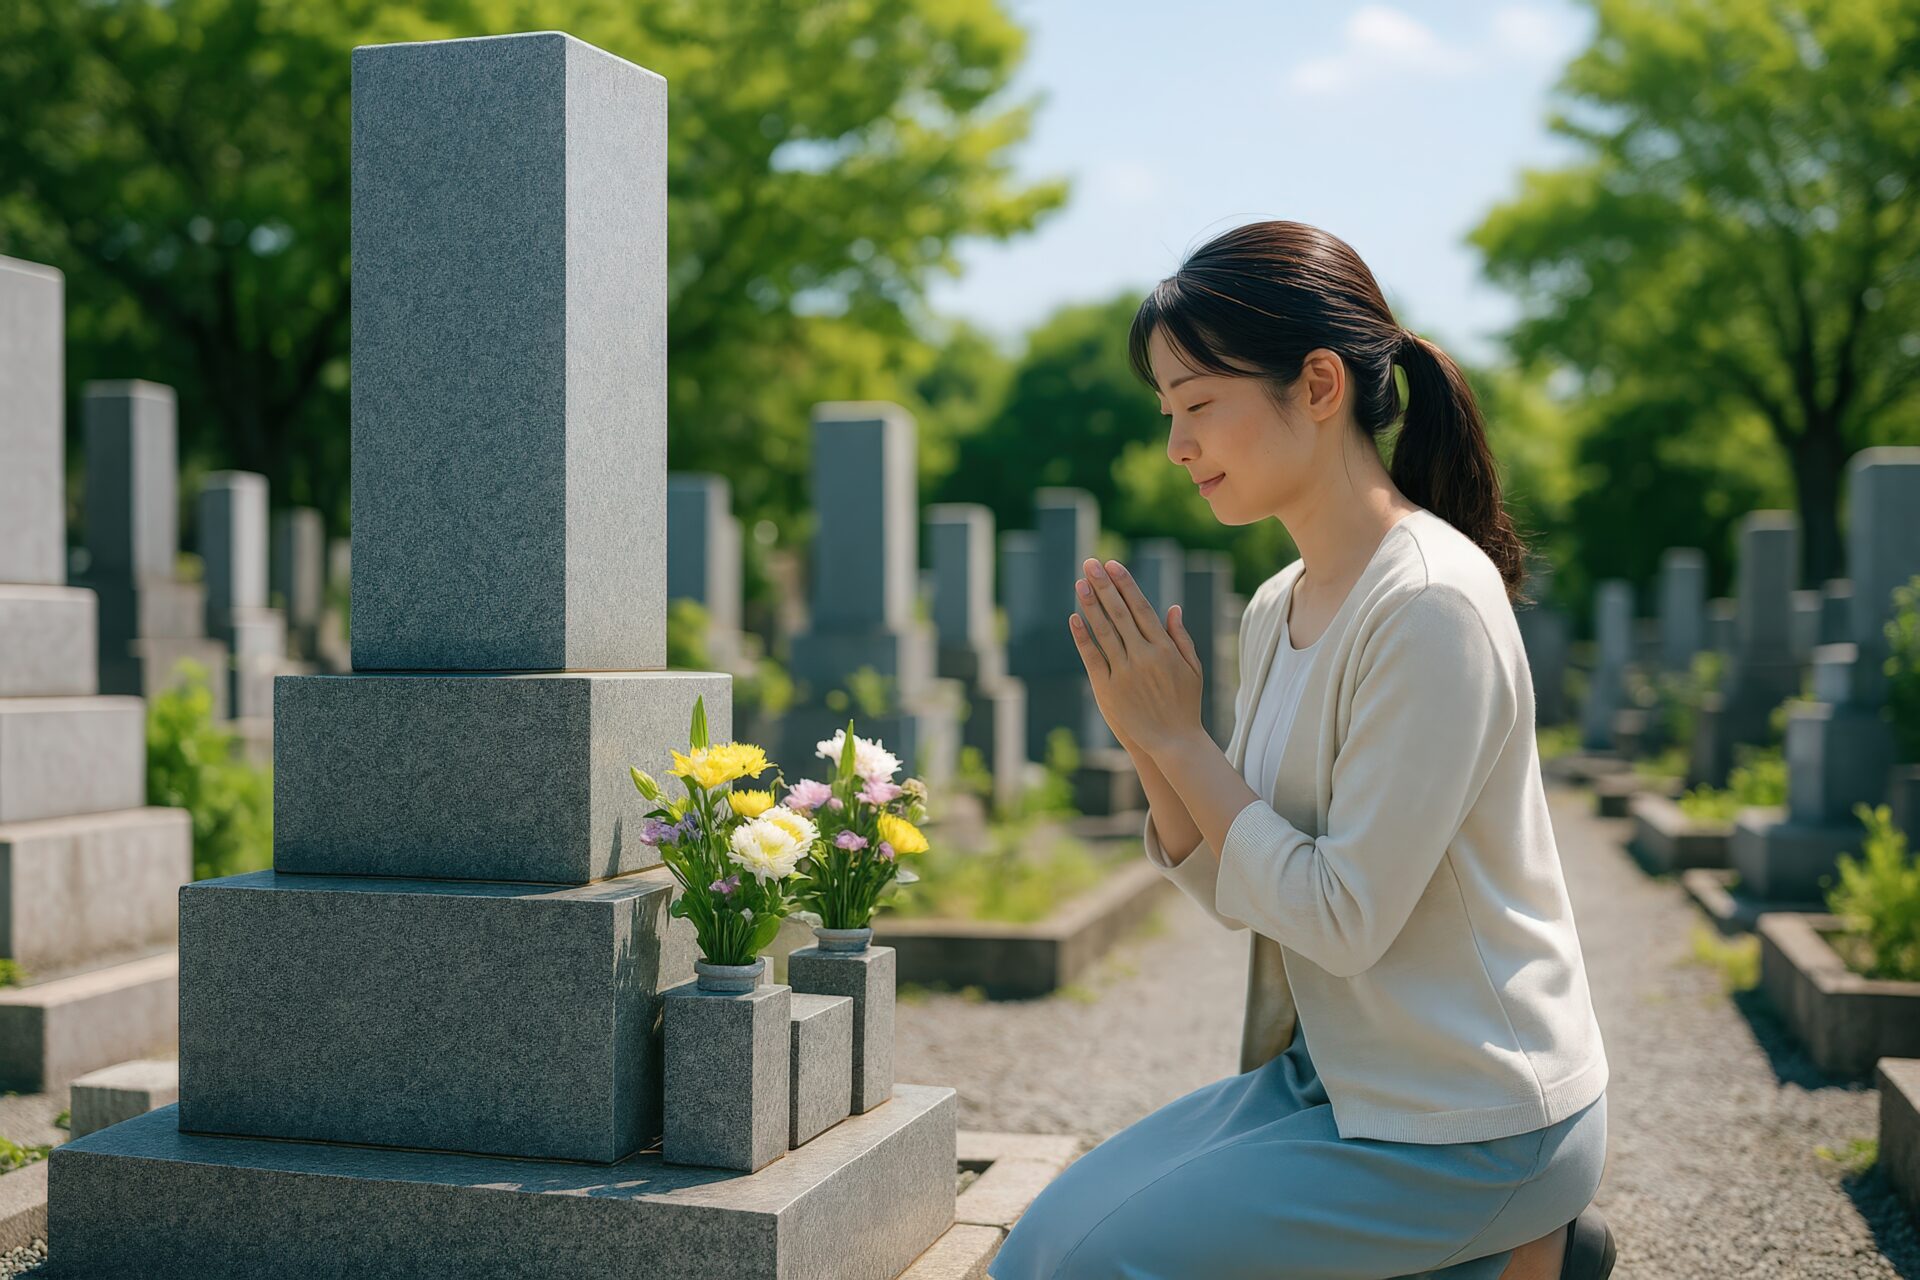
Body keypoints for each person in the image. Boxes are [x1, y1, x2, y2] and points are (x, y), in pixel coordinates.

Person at [985, 220, 1615, 1280]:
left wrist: (1184, 736)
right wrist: (1150, 737)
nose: (1177, 444)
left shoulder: (1428, 603)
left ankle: (1514, 1236)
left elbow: (1339, 916)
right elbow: (1242, 887)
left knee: (1082, 1268)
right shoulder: (1278, 603)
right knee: (1039, 1247)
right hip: (1334, 1076)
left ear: (1318, 385)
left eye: (1196, 405)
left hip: (1474, 1109)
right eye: (1167, 413)